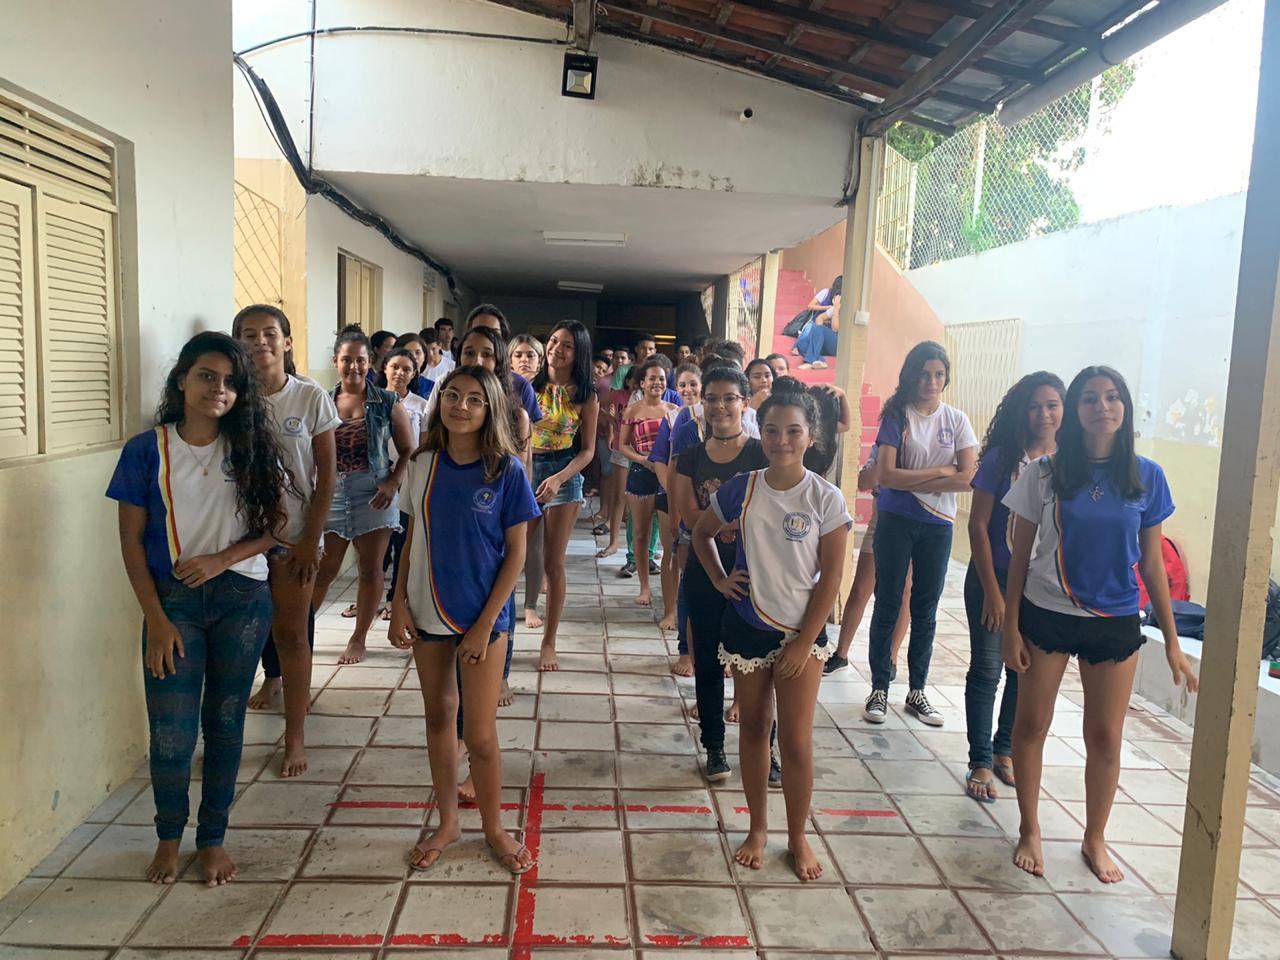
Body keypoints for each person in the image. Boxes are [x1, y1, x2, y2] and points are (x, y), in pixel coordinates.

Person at [1002, 365, 1198, 882]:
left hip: (1115, 622)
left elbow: (1153, 565)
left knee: (1106, 736)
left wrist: (1174, 644)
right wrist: (1010, 627)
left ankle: (1094, 837)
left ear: (1125, 408)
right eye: (1090, 398)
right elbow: (1019, 555)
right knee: (1031, 725)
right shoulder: (1044, 472)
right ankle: (1029, 828)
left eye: (1112, 397)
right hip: (1047, 614)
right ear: (1076, 409)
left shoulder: (1145, 475)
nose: (1102, 407)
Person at [107, 332, 290, 886]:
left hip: (242, 599)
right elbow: (132, 542)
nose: (220, 389)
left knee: (226, 724)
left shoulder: (252, 445)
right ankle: (168, 837)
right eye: (207, 376)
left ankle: (211, 839)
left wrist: (222, 559)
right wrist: (157, 620)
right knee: (171, 731)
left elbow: (276, 528)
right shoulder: (147, 450)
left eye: (231, 382)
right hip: (174, 606)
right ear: (182, 380)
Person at [693, 384, 851, 880]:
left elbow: (831, 576)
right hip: (746, 625)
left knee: (797, 741)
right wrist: (721, 579)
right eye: (773, 430)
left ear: (811, 436)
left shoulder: (825, 498)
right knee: (755, 728)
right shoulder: (742, 487)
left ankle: (798, 836)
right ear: (760, 433)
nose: (782, 440)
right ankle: (758, 828)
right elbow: (700, 533)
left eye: (794, 431)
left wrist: (805, 641)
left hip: (801, 634)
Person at [389, 365, 540, 875]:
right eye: (452, 395)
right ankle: (448, 822)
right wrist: (398, 603)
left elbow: (516, 555)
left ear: (489, 409)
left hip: (483, 618)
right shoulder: (422, 464)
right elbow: (410, 540)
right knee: (437, 719)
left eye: (474, 399)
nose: (460, 405)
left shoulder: (505, 471)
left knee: (478, 734)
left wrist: (484, 624)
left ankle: (496, 829)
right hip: (427, 611)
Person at [235, 306, 340, 779]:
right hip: (238, 542)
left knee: (293, 635)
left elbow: (326, 477)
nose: (261, 342)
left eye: (270, 334)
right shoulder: (231, 398)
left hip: (293, 540)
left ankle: (294, 735)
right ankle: (232, 728)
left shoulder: (310, 398)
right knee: (240, 640)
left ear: (288, 341)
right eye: (250, 335)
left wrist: (310, 541)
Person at [864, 341, 978, 727]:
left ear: (946, 378)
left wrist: (930, 477)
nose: (932, 381)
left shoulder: (957, 420)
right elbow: (886, 476)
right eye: (925, 373)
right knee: (888, 603)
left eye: (939, 374)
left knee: (926, 610)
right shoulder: (897, 415)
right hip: (895, 520)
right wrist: (942, 472)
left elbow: (968, 479)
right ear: (912, 375)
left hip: (937, 527)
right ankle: (879, 688)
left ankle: (917, 691)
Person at [963, 372, 1064, 803]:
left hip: (1039, 586)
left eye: (1053, 405)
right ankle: (980, 759)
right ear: (1022, 410)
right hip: (995, 578)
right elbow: (978, 524)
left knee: (1022, 670)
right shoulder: (1003, 459)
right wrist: (993, 592)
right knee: (987, 668)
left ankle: (1005, 749)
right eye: (1035, 405)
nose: (1044, 414)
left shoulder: (1068, 463)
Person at [674, 365, 768, 783]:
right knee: (708, 659)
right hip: (706, 569)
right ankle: (714, 745)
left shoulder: (763, 454)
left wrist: (722, 523)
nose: (719, 406)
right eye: (711, 398)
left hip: (756, 574)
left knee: (760, 661)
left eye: (729, 398)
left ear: (745, 403)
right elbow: (692, 519)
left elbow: (770, 516)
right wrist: (730, 527)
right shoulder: (689, 458)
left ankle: (767, 750)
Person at [311, 325, 414, 664]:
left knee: (371, 570)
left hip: (374, 491)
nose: (353, 366)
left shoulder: (386, 400)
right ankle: (302, 631)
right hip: (333, 491)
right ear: (335, 361)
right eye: (346, 360)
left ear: (371, 362)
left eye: (360, 360)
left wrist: (392, 482)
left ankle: (358, 639)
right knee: (324, 570)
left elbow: (408, 447)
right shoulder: (322, 401)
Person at [529, 320, 599, 671]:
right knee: (514, 556)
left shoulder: (585, 395)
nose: (556, 348)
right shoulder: (528, 386)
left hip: (565, 474)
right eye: (553, 341)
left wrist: (558, 478)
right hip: (525, 469)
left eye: (566, 345)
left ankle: (549, 641)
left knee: (552, 563)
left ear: (578, 353)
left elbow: (587, 452)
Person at [825, 449, 910, 678]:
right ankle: (841, 654)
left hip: (912, 524)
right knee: (861, 588)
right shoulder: (886, 444)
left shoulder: (928, 442)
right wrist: (888, 464)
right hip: (880, 522)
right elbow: (864, 481)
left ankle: (890, 658)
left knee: (904, 594)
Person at [649, 362, 702, 651]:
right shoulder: (673, 418)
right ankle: (671, 610)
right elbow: (661, 459)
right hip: (669, 495)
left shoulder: (713, 418)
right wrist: (673, 491)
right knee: (672, 555)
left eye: (693, 384)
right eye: (682, 385)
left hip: (700, 501)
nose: (688, 390)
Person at [380, 347, 432, 625]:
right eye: (395, 367)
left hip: (408, 479)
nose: (400, 373)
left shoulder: (421, 406)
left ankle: (393, 598)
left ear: (415, 374)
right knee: (377, 546)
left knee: (402, 543)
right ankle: (371, 597)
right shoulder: (372, 401)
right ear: (385, 368)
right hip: (376, 479)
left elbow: (421, 448)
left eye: (406, 369)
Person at [621, 357, 676, 607]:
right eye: (652, 378)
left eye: (662, 378)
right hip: (641, 475)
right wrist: (643, 460)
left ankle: (669, 589)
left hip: (667, 476)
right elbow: (620, 445)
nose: (657, 382)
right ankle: (644, 587)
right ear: (642, 383)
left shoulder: (674, 411)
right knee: (640, 534)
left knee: (668, 537)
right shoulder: (632, 411)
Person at [510, 333, 549, 627]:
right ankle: (506, 599)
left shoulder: (543, 388)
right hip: (501, 469)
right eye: (519, 354)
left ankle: (531, 604)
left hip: (532, 469)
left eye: (530, 355)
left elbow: (528, 443)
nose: (524, 360)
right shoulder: (506, 385)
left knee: (533, 541)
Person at [792, 276, 841, 370]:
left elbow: (835, 329)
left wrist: (836, 310)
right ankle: (819, 360)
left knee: (819, 329)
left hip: (839, 346)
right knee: (801, 344)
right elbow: (819, 318)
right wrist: (818, 336)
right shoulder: (831, 300)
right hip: (828, 344)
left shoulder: (842, 308)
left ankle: (810, 361)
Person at [391, 333, 435, 400]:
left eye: (418, 353)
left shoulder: (432, 387)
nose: (414, 357)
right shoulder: (390, 384)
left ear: (424, 356)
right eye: (408, 353)